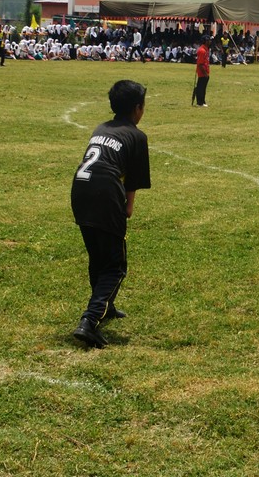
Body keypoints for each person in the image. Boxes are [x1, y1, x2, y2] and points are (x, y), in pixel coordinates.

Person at [70, 80, 152, 348]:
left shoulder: (101, 128)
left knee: (97, 257)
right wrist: (128, 208)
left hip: (80, 191)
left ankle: (107, 305)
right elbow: (133, 180)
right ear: (137, 109)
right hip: (105, 194)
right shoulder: (137, 136)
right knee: (115, 266)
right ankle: (90, 321)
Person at [193, 34, 210, 107]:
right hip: (202, 72)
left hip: (205, 71)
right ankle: (199, 102)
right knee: (200, 87)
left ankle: (202, 101)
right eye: (209, 40)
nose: (210, 42)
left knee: (203, 88)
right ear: (205, 41)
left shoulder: (206, 49)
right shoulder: (202, 50)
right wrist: (205, 73)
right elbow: (200, 64)